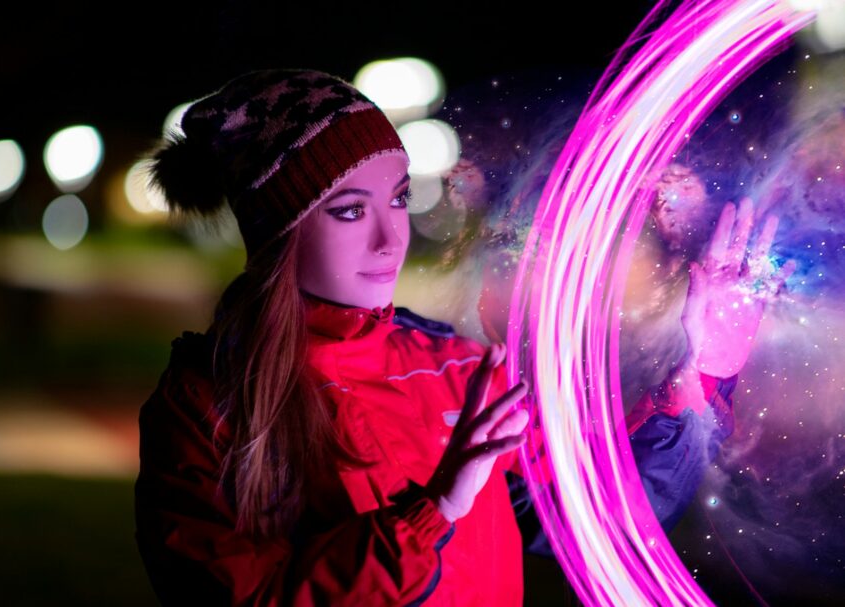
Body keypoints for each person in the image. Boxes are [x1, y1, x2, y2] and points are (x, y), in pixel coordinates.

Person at [133, 68, 796, 606]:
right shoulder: (208, 411)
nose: (389, 237)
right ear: (277, 231)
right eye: (347, 210)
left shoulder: (452, 368)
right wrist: (434, 508)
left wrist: (700, 375)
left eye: (396, 198)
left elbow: (598, 519)